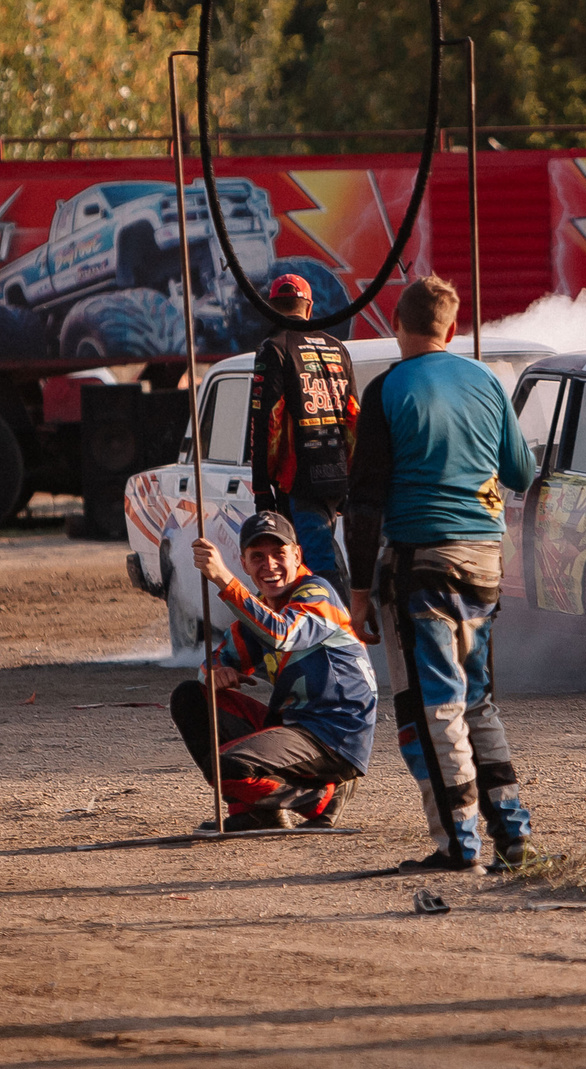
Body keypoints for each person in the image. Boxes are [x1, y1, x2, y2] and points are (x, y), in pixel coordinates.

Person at [345, 275, 537, 871]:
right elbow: (523, 473)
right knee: (477, 698)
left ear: (397, 326)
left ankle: (458, 843)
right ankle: (513, 834)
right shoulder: (486, 380)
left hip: (420, 562)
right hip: (484, 558)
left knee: (433, 705)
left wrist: (356, 594)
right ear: (452, 331)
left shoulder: (386, 389)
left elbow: (365, 501)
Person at [172, 509, 376, 832]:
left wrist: (224, 579)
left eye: (279, 553)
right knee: (189, 697)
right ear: (244, 562)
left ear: (297, 555)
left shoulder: (317, 593)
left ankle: (320, 797)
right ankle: (255, 812)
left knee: (224, 767)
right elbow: (221, 656)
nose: (270, 565)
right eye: (258, 556)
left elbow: (281, 633)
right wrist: (215, 673)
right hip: (291, 727)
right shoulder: (261, 607)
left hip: (333, 735)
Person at [245, 272, 359, 596]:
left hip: (299, 480)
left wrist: (261, 489)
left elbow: (265, 421)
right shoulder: (338, 347)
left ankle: (341, 635)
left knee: (318, 567)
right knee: (315, 561)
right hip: (337, 474)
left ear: (270, 307)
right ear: (309, 308)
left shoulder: (274, 348)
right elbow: (353, 417)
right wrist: (351, 476)